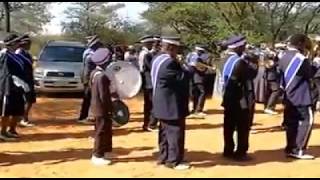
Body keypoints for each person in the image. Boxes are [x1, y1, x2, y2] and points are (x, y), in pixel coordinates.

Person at [151, 36, 191, 170]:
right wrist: (186, 67)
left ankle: (163, 156)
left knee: (164, 132)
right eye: (176, 49)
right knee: (175, 132)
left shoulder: (157, 58)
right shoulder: (170, 63)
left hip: (160, 101)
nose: (177, 52)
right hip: (171, 103)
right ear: (171, 48)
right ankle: (174, 161)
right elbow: (182, 79)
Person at [278, 34, 315, 160]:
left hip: (288, 95)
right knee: (307, 121)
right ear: (300, 44)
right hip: (301, 95)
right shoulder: (301, 59)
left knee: (291, 123)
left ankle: (290, 148)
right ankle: (299, 149)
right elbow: (310, 75)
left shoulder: (282, 56)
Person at [221, 35, 258, 161]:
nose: (244, 48)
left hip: (227, 96)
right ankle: (241, 152)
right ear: (239, 46)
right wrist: (254, 62)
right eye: (243, 46)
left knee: (228, 125)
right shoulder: (240, 62)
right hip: (239, 97)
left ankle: (228, 149)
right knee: (242, 126)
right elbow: (251, 75)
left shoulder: (224, 59)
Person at [89, 48, 115, 166]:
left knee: (103, 129)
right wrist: (111, 108)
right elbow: (104, 96)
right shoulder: (102, 77)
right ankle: (97, 155)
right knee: (101, 131)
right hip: (102, 108)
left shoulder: (94, 73)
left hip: (96, 106)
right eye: (109, 60)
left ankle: (103, 151)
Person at [0, 34, 27, 141]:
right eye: (16, 42)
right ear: (11, 43)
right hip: (8, 86)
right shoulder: (5, 55)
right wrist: (14, 81)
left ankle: (10, 130)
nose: (18, 44)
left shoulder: (15, 55)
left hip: (17, 87)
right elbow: (5, 73)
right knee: (6, 110)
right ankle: (2, 132)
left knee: (16, 109)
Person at [78, 35, 103, 124]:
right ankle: (83, 117)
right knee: (88, 98)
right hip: (89, 78)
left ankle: (87, 116)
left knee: (89, 97)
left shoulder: (87, 52)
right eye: (98, 45)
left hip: (87, 77)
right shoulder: (91, 54)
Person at [15, 34, 36, 127]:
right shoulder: (19, 53)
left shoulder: (26, 53)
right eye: (28, 43)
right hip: (23, 80)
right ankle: (23, 118)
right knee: (26, 100)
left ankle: (24, 117)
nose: (30, 45)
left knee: (30, 100)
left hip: (28, 79)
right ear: (23, 43)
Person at [139, 35, 158, 131]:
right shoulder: (146, 55)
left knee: (149, 105)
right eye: (151, 43)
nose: (153, 44)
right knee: (152, 104)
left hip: (148, 82)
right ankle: (151, 124)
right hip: (149, 83)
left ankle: (147, 124)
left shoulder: (147, 53)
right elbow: (149, 68)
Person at [187, 45, 210, 118]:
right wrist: (207, 67)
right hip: (197, 77)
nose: (201, 54)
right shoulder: (196, 57)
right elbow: (197, 66)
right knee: (202, 92)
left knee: (195, 93)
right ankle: (198, 110)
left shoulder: (189, 55)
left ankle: (194, 109)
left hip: (190, 78)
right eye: (201, 52)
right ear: (198, 51)